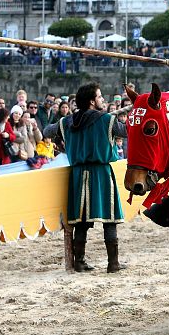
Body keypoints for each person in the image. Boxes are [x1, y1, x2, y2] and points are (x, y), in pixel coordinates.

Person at [43, 83, 128, 273]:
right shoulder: (107, 120)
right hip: (101, 174)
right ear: (91, 101)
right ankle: (113, 264)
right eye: (99, 97)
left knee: (81, 222)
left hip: (78, 175)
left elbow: (47, 131)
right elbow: (128, 131)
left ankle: (79, 262)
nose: (102, 100)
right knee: (110, 220)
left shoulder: (67, 122)